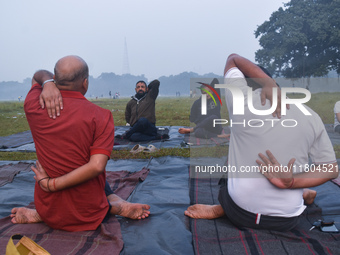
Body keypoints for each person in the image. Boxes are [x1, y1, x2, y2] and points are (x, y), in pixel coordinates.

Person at [185, 53, 338, 231]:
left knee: (232, 162)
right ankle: (303, 192)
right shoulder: (311, 115)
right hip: (287, 219)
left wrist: (266, 82)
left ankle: (223, 208)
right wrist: (292, 183)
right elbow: (331, 169)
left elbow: (232, 59)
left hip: (240, 214)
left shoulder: (241, 103)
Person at [10, 56, 150, 232]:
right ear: (85, 83)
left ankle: (39, 214)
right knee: (92, 164)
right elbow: (97, 166)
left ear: (55, 79)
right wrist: (51, 184)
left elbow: (37, 75)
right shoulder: (101, 115)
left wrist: (47, 83)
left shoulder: (33, 105)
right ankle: (114, 204)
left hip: (48, 210)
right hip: (89, 212)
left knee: (80, 164)